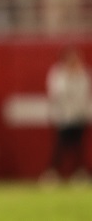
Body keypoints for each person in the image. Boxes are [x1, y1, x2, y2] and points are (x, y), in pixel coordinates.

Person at [43, 47, 92, 181]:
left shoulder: (84, 74)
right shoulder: (58, 74)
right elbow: (57, 93)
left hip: (80, 116)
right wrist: (69, 78)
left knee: (78, 146)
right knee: (61, 145)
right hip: (63, 116)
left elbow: (84, 95)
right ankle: (52, 173)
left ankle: (80, 172)